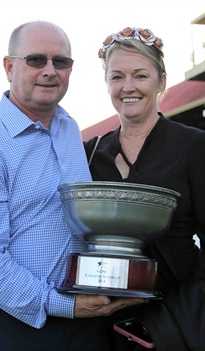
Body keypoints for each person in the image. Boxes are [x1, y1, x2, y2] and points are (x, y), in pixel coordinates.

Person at [0, 21, 146, 351]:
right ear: (10, 67)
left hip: (85, 321)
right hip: (13, 329)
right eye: (36, 60)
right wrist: (66, 305)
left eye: (61, 62)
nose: (50, 71)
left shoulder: (68, 127)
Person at [84, 26, 205, 350]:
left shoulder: (193, 146)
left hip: (174, 323)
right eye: (116, 77)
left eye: (140, 76)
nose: (128, 87)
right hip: (101, 322)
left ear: (161, 81)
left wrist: (192, 310)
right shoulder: (90, 152)